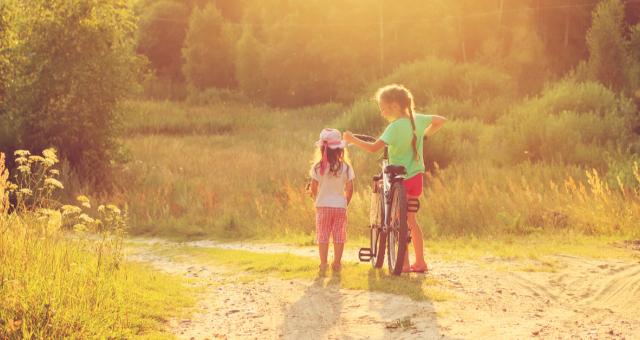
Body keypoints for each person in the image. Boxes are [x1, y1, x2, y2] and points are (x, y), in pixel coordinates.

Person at [343, 84, 446, 273]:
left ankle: (404, 264)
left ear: (395, 107)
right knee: (411, 222)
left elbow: (374, 148)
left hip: (400, 179)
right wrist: (424, 136)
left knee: (398, 223)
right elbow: (441, 120)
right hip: (416, 178)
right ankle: (420, 262)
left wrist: (351, 140)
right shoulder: (418, 120)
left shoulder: (394, 127)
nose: (381, 111)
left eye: (383, 107)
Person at [309, 128, 355, 273]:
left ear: (322, 150)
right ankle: (337, 263)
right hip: (340, 207)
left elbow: (313, 186)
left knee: (322, 235)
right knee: (339, 236)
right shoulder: (346, 168)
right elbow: (350, 188)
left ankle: (323, 264)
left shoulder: (317, 168)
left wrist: (317, 198)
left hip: (323, 206)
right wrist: (345, 202)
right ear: (340, 150)